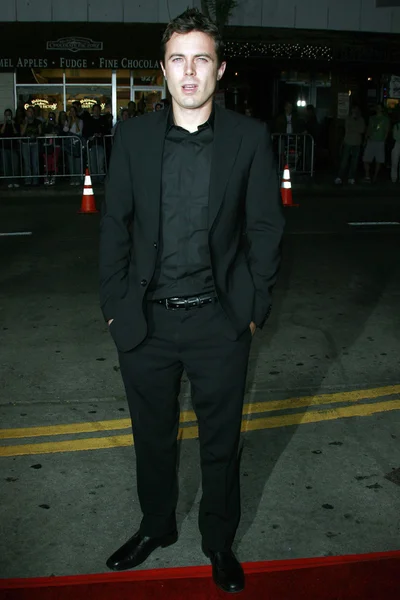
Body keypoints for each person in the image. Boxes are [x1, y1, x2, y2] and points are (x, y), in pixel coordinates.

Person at [99, 8, 284, 595]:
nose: (189, 71)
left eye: (201, 58)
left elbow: (265, 230)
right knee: (151, 437)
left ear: (219, 69)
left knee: (220, 444)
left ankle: (218, 540)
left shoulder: (249, 139)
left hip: (219, 321)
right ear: (163, 69)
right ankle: (157, 525)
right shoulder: (132, 137)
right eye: (178, 58)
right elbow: (115, 229)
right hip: (147, 322)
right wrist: (115, 307)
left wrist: (253, 309)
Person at [335, 105, 366, 185]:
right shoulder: (348, 118)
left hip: (357, 142)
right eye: (353, 110)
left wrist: (354, 128)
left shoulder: (361, 119)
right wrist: (355, 128)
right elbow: (348, 129)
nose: (354, 111)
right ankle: (339, 177)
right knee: (344, 161)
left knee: (354, 162)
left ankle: (351, 177)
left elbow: (362, 130)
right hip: (348, 141)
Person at [363, 103, 390, 183]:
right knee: (366, 159)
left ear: (382, 109)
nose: (378, 109)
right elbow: (368, 129)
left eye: (379, 107)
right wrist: (366, 139)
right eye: (377, 107)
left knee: (379, 160)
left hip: (380, 141)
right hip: (371, 140)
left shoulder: (385, 119)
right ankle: (367, 175)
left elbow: (386, 131)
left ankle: (375, 176)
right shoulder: (372, 118)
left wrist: (384, 140)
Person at [20, 105, 42, 186]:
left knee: (35, 163)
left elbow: (40, 133)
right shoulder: (23, 122)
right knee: (27, 163)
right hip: (25, 143)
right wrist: (26, 123)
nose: (30, 113)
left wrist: (35, 136)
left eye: (32, 112)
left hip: (34, 143)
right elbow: (22, 133)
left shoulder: (38, 122)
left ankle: (35, 181)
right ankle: (28, 180)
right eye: (29, 111)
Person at [63, 106, 84, 185]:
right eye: (70, 111)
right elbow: (65, 130)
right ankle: (72, 178)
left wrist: (76, 122)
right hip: (70, 143)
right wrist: (69, 122)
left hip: (77, 142)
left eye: (73, 111)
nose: (72, 113)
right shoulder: (67, 121)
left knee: (77, 160)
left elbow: (79, 132)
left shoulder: (80, 121)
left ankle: (78, 178)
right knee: (70, 160)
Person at [1, 108, 20, 188]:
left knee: (15, 165)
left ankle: (15, 181)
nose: (8, 116)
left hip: (13, 147)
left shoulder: (15, 124)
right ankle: (9, 182)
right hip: (4, 147)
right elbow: (1, 132)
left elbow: (16, 133)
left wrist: (12, 124)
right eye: (6, 115)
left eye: (9, 114)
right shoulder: (2, 124)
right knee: (6, 165)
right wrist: (5, 123)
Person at [41, 111, 60, 185]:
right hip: (47, 146)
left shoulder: (57, 125)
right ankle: (46, 178)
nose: (51, 119)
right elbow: (43, 133)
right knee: (47, 163)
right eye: (50, 117)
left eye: (52, 117)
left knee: (54, 162)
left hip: (55, 146)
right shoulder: (45, 125)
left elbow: (59, 133)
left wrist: (55, 125)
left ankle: (53, 177)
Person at [390, 112, 400, 183]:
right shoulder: (396, 125)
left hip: (397, 143)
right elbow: (395, 136)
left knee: (395, 161)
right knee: (394, 161)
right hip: (397, 144)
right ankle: (394, 177)